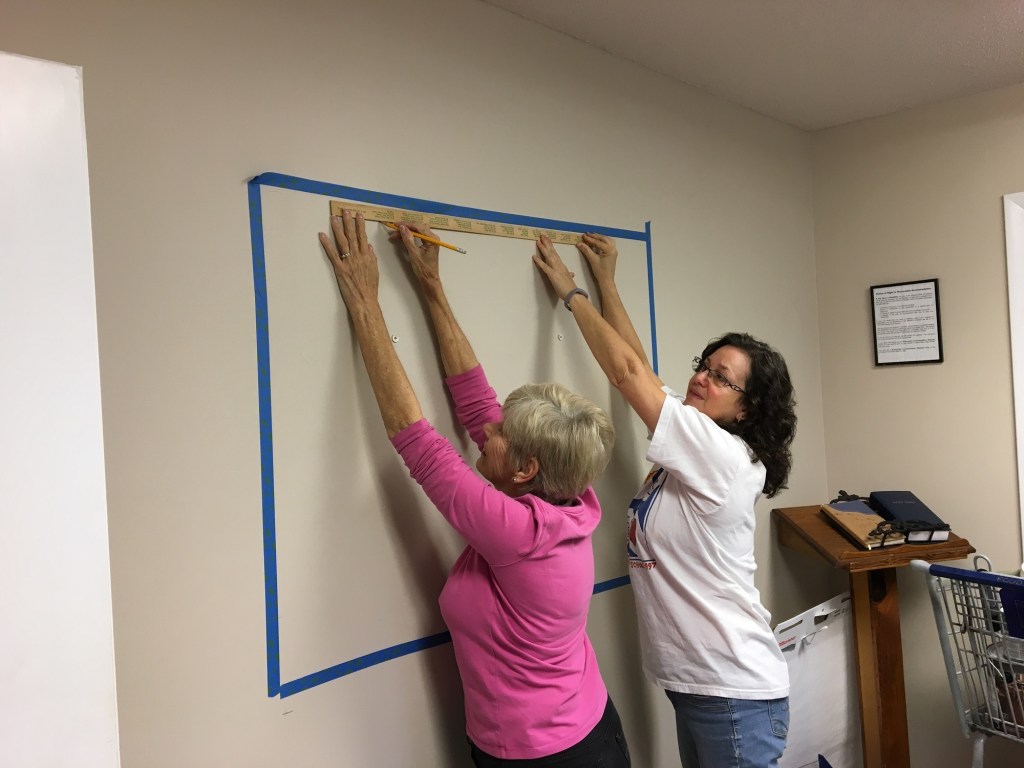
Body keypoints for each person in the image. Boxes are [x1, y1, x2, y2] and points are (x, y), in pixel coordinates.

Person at [318, 210, 631, 767]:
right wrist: (431, 286)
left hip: (549, 756)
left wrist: (365, 300)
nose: (487, 430)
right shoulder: (567, 495)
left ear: (526, 469)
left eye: (500, 435)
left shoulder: (519, 532)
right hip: (574, 726)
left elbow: (417, 440)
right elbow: (475, 398)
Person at [533, 232, 797, 768]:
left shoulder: (720, 456)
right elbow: (642, 369)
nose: (701, 378)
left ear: (746, 410)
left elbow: (627, 374)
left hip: (733, 692)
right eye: (704, 364)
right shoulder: (700, 440)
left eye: (721, 378)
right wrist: (607, 281)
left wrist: (572, 293)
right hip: (702, 689)